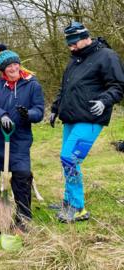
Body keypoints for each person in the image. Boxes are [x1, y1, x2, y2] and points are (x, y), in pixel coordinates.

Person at [49, 22, 124, 223]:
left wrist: (104, 100)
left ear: (85, 37)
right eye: (69, 44)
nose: (70, 47)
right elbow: (65, 88)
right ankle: (68, 200)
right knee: (67, 160)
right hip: (71, 117)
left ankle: (78, 207)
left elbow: (118, 86)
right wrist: (55, 108)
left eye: (73, 43)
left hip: (91, 118)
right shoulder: (75, 60)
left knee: (69, 159)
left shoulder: (107, 56)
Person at [0, 44, 45, 229]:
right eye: (9, 66)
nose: (14, 68)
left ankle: (23, 218)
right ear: (3, 70)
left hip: (19, 139)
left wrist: (28, 114)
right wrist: (2, 115)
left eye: (16, 65)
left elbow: (39, 111)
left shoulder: (32, 85)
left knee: (22, 175)